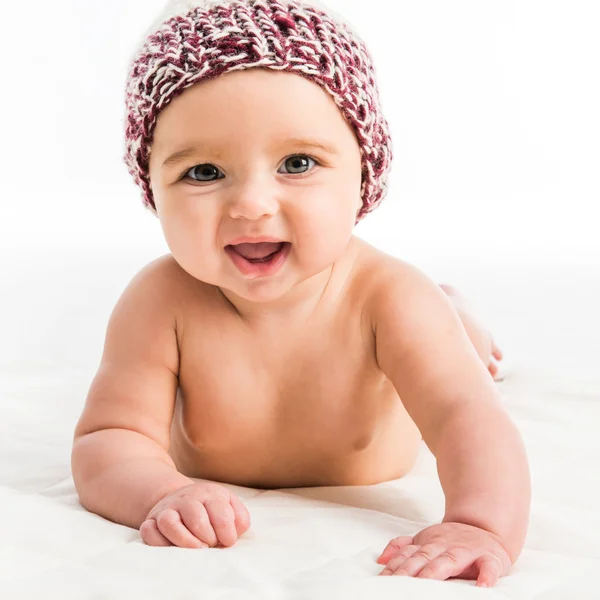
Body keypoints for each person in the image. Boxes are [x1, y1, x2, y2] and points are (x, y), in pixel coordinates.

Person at [71, 0, 529, 587]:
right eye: (204, 173)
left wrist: (480, 523)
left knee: (445, 337)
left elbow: (468, 416)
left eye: (297, 162)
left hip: (417, 316)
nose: (252, 205)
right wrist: (160, 492)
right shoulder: (160, 303)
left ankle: (461, 316)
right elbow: (110, 437)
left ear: (363, 175)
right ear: (153, 188)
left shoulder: (388, 298)